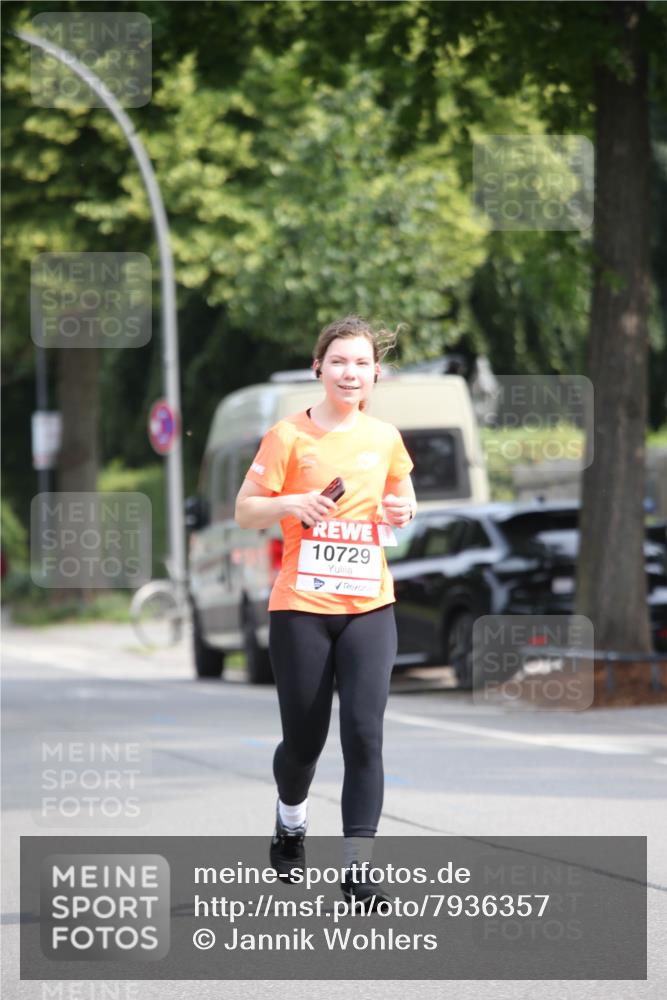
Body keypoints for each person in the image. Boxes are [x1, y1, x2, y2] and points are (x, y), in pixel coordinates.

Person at [234, 315, 417, 910]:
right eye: (339, 361)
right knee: (304, 743)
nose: (350, 372)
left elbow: (403, 494)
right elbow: (246, 510)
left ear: (374, 373)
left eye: (361, 363)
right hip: (302, 608)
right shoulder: (288, 437)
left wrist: (402, 513)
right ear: (319, 367)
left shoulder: (386, 437)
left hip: (370, 605)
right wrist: (292, 501)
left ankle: (358, 871)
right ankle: (291, 824)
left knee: (365, 734)